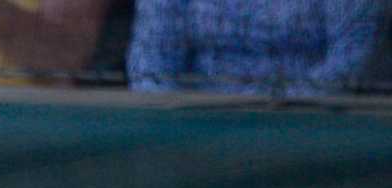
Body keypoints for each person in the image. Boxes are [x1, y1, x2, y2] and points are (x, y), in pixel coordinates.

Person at [127, 0, 388, 95]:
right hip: (192, 135)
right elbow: (151, 64)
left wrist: (269, 122)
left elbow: (352, 61)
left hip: (319, 133)